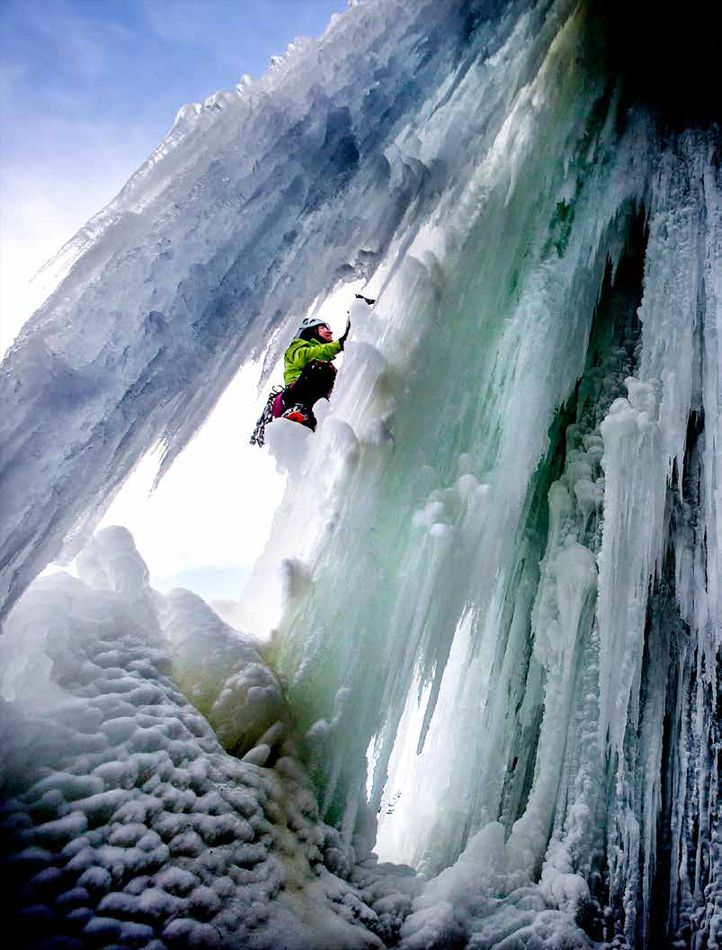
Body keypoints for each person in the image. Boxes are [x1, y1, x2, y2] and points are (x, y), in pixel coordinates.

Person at [275, 315, 351, 430]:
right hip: (295, 394)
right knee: (319, 368)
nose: (329, 331)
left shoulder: (323, 359)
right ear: (311, 330)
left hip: (312, 399)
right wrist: (340, 344)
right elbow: (307, 356)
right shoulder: (295, 348)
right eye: (323, 328)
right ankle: (298, 410)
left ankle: (308, 418)